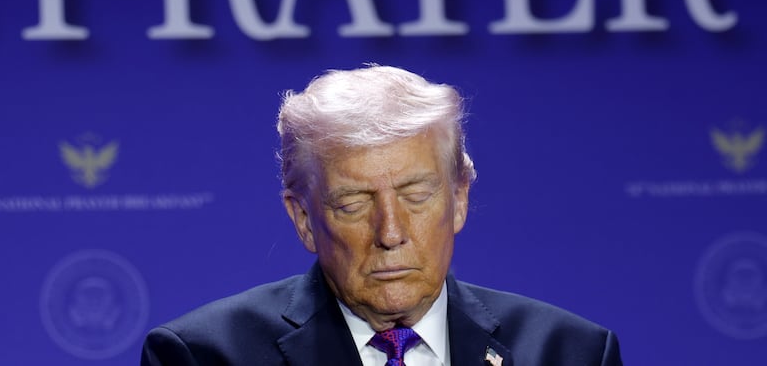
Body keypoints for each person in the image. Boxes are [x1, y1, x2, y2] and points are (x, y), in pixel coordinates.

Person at [140, 64, 624, 365]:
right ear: (304, 219)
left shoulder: (570, 353)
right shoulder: (205, 356)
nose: (390, 233)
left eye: (416, 196)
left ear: (459, 199)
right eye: (353, 204)